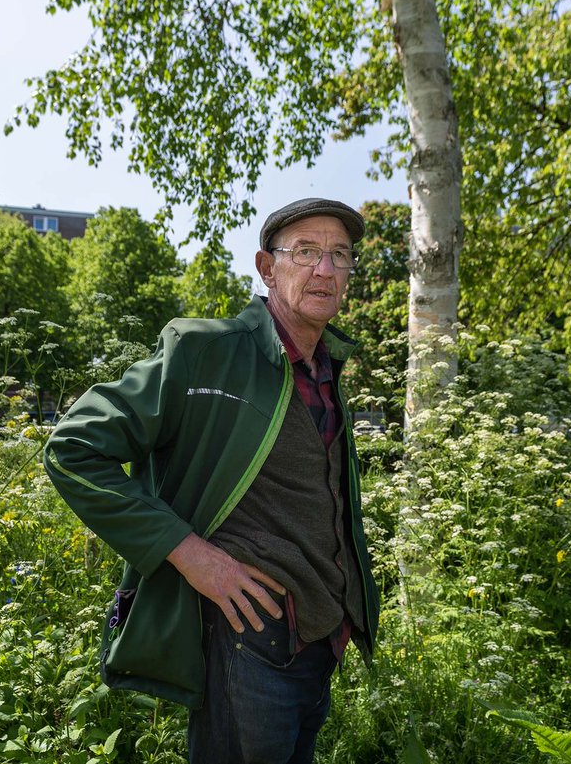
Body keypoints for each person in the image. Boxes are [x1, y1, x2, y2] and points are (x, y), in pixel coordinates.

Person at [44, 197, 380, 764]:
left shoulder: (328, 372)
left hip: (317, 645)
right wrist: (188, 553)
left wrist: (346, 612)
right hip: (246, 642)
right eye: (305, 252)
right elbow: (74, 448)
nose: (324, 270)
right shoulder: (205, 353)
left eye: (339, 255)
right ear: (267, 268)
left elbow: (324, 506)